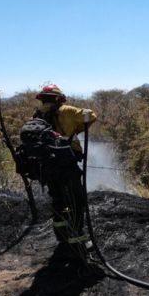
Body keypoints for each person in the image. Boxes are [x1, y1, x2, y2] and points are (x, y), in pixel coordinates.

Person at [34, 84, 97, 259]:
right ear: (59, 98)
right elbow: (91, 115)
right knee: (77, 201)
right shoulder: (66, 110)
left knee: (58, 201)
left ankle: (62, 237)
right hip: (66, 164)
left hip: (47, 167)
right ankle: (78, 241)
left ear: (42, 99)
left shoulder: (37, 115)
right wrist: (75, 129)